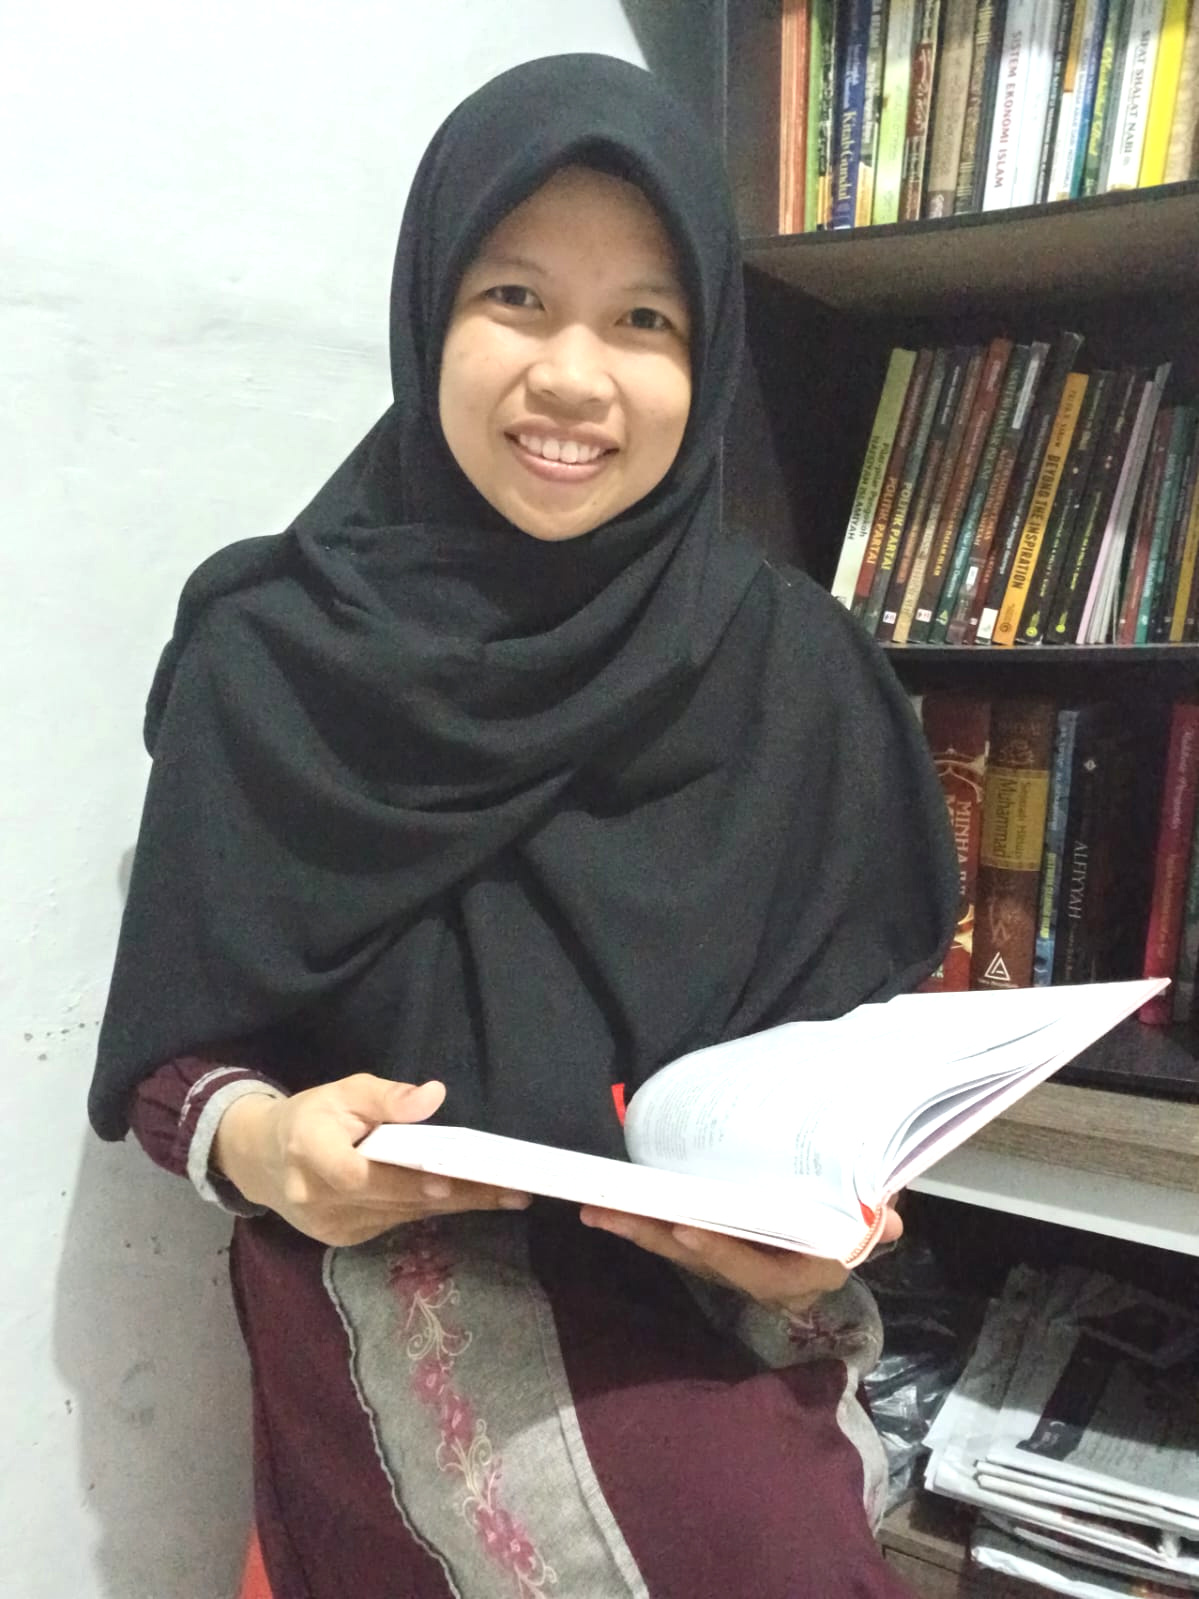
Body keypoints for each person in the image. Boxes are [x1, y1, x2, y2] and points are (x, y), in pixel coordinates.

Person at [89, 52, 958, 1599]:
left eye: (644, 321)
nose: (573, 376)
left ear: (710, 352)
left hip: (715, 1295)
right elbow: (183, 1046)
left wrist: (837, 1221)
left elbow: (850, 1060)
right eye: (516, 298)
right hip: (395, 1261)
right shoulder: (275, 652)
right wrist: (269, 1146)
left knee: (765, 1535)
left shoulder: (799, 673)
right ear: (431, 311)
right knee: (724, 1545)